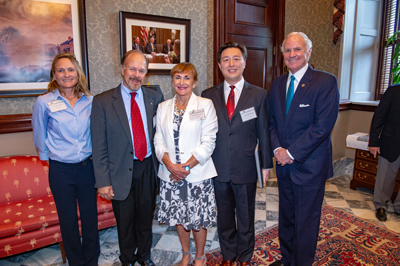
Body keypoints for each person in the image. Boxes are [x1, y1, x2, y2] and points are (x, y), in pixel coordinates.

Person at [269, 32, 339, 266]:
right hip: (284, 167)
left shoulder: (325, 82)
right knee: (287, 218)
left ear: (308, 52)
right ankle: (287, 259)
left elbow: (322, 127)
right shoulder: (278, 83)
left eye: (297, 49)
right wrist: (278, 148)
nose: (292, 55)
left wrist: (290, 153)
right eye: (287, 51)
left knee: (306, 222)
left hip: (309, 166)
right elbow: (272, 123)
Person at [201, 41, 273, 266]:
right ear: (219, 65)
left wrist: (266, 164)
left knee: (245, 216)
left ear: (244, 62)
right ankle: (228, 255)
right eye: (225, 60)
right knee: (224, 217)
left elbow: (264, 132)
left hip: (246, 167)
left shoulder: (259, 95)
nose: (231, 64)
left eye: (235, 59)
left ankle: (244, 256)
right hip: (218, 166)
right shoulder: (207, 95)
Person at [91, 49, 163, 266]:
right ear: (122, 69)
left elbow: (163, 133)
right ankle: (128, 259)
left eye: (141, 71)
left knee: (145, 218)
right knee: (125, 221)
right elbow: (98, 144)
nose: (136, 74)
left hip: (148, 168)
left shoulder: (155, 97)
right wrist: (103, 181)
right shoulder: (103, 101)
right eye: (132, 69)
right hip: (120, 170)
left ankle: (145, 257)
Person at [32, 52, 99, 266]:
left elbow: (97, 133)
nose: (66, 74)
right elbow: (39, 134)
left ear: (78, 73)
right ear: (54, 74)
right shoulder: (44, 102)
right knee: (68, 220)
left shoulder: (90, 101)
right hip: (61, 170)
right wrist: (47, 159)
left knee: (90, 218)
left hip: (88, 168)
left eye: (71, 69)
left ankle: (91, 260)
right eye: (61, 70)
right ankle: (76, 262)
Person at [154, 62, 218, 266]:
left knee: (197, 219)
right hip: (170, 174)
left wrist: (186, 167)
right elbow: (158, 140)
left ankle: (200, 256)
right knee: (179, 218)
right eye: (178, 77)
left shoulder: (205, 105)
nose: (182, 82)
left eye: (187, 77)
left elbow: (208, 142)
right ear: (172, 81)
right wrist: (170, 165)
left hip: (197, 174)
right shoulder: (163, 107)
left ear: (195, 81)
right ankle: (185, 254)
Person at [368, 84, 400, 222]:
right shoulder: (394, 91)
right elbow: (378, 116)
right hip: (391, 141)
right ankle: (381, 205)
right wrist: (374, 142)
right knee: (386, 176)